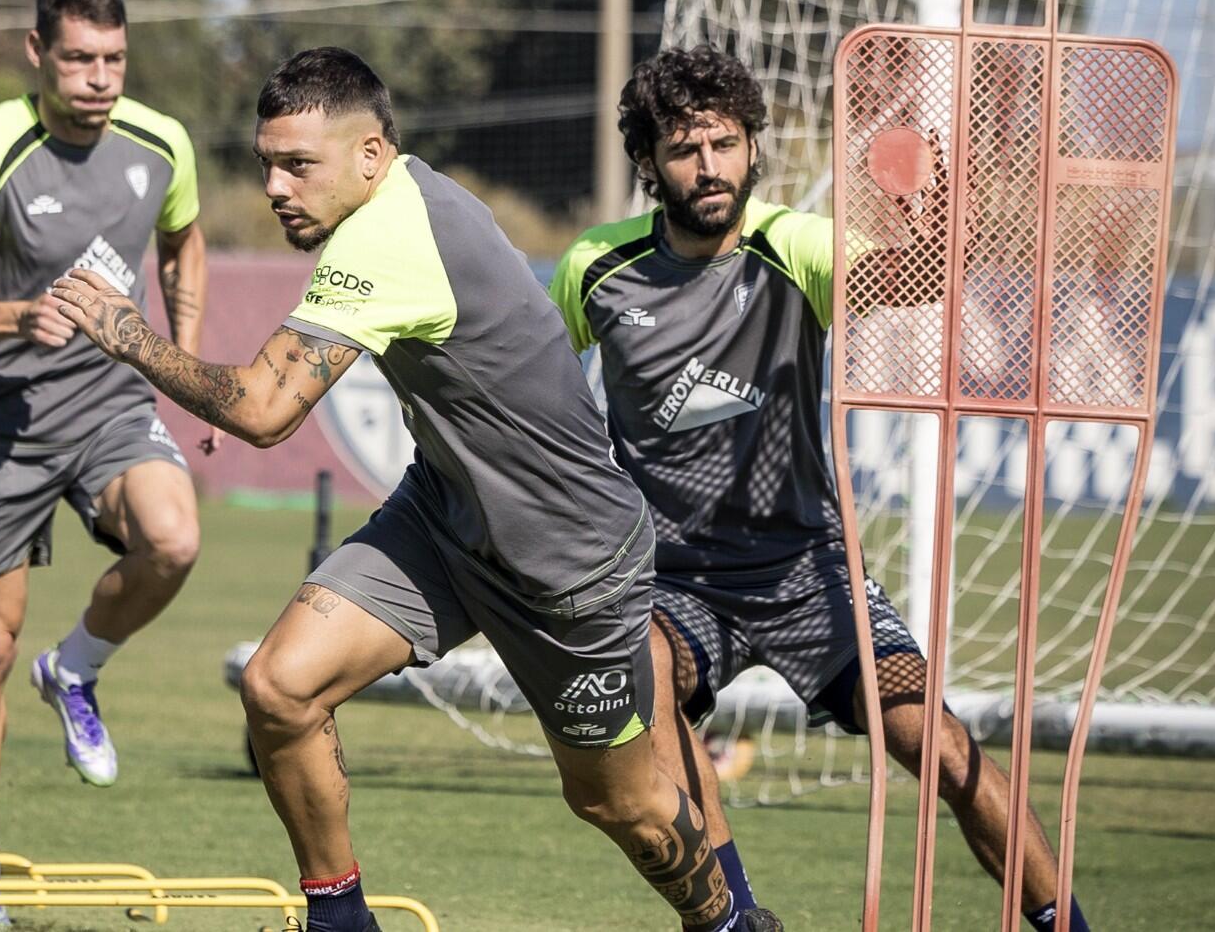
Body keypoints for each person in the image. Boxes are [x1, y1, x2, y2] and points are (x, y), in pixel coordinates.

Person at [51, 46, 781, 932]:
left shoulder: (392, 235)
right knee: (280, 687)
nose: (276, 186)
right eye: (267, 163)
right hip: (444, 519)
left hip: (567, 564)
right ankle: (340, 922)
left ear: (370, 154)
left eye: (297, 164)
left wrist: (127, 333)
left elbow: (263, 410)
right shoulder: (398, 198)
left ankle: (730, 924)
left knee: (615, 802)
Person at [549, 43, 1092, 932]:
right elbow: (529, 380)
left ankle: (1064, 923)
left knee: (940, 747)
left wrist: (937, 204)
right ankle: (732, 918)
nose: (708, 166)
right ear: (647, 161)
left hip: (808, 571)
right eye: (683, 149)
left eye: (725, 143)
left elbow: (917, 276)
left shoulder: (792, 244)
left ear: (751, 147)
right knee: (644, 678)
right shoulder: (593, 268)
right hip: (674, 582)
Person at [0, 0, 216, 926]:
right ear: (37, 52)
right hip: (1, 422)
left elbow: (183, 243)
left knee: (174, 539)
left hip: (111, 405)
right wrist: (13, 315)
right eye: (78, 59)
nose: (99, 79)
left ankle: (73, 669)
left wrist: (183, 366)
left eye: (114, 59)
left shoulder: (161, 142)